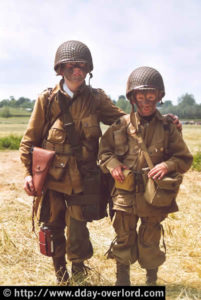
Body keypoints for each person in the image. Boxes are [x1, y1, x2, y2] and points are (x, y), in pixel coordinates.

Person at [20, 40, 182, 285]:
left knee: (77, 227)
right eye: (72, 65)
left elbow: (126, 120)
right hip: (52, 178)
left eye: (82, 66)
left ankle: (78, 271)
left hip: (83, 176)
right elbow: (29, 140)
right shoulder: (48, 99)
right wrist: (28, 173)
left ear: (89, 69)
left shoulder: (95, 99)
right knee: (52, 227)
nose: (77, 70)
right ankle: (60, 274)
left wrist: (162, 119)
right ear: (60, 68)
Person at [98, 66, 193, 286]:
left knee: (150, 238)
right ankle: (122, 284)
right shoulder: (120, 126)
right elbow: (104, 152)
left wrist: (168, 165)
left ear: (159, 96)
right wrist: (113, 165)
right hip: (125, 193)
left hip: (154, 195)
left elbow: (184, 158)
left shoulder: (168, 128)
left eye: (151, 95)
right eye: (141, 95)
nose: (146, 101)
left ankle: (151, 283)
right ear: (132, 98)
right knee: (123, 238)